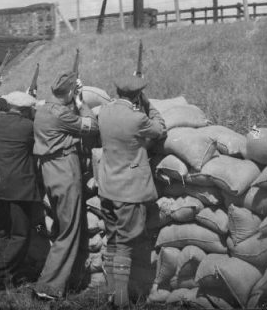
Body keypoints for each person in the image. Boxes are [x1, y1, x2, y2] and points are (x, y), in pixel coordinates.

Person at [97, 75, 167, 309]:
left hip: (107, 188)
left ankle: (111, 293)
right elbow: (159, 129)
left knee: (113, 239)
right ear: (137, 94)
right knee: (126, 244)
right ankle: (120, 301)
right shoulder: (137, 118)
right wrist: (149, 105)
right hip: (128, 191)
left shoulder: (104, 112)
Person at [32, 71, 99, 301]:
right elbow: (92, 125)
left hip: (50, 171)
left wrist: (71, 98)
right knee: (69, 230)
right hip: (64, 170)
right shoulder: (62, 114)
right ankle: (48, 286)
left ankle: (61, 278)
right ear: (70, 93)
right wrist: (81, 102)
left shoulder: (43, 109)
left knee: (62, 225)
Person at [0, 90, 41, 291]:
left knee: (5, 232)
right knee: (21, 235)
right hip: (18, 188)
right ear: (26, 110)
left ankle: (8, 275)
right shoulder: (28, 126)